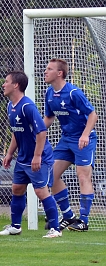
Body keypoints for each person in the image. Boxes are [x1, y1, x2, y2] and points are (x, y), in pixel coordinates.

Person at [0, 71, 62, 238]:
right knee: (17, 189)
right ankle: (15, 226)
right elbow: (16, 133)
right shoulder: (10, 106)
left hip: (39, 157)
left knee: (41, 191)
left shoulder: (27, 107)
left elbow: (41, 132)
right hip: (23, 158)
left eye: (6, 81)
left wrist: (37, 156)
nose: (3, 84)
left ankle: (56, 229)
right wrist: (10, 153)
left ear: (16, 85)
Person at [43, 58, 98, 232]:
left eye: (49, 69)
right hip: (66, 139)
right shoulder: (49, 93)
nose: (45, 72)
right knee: (51, 175)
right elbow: (49, 118)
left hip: (83, 139)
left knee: (83, 176)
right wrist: (35, 132)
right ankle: (68, 216)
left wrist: (85, 135)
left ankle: (84, 221)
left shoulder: (74, 93)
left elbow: (93, 115)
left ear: (59, 73)